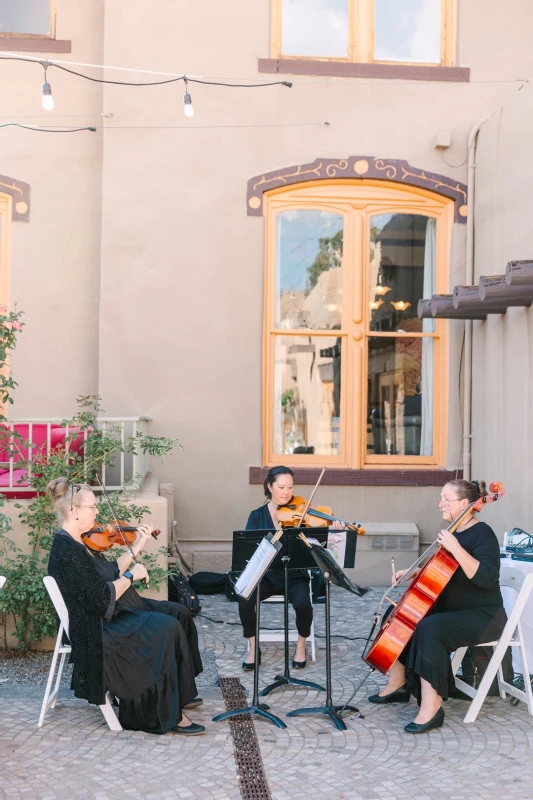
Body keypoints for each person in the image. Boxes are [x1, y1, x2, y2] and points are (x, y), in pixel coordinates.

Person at [47, 477, 205, 736]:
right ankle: (164, 711)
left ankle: (179, 693)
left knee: (178, 612)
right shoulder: (66, 551)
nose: (97, 512)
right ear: (75, 512)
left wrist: (137, 546)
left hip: (109, 612)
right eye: (92, 507)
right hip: (95, 628)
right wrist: (131, 576)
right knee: (166, 628)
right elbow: (100, 600)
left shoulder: (81, 542)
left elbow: (109, 572)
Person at [368, 478, 506, 734]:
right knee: (397, 613)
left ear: (465, 504)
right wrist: (416, 573)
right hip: (455, 609)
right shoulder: (454, 531)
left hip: (483, 615)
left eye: (446, 499)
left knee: (429, 628)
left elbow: (486, 577)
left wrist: (455, 548)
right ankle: (398, 683)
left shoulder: (482, 533)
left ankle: (432, 706)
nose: (439, 503)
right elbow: (446, 573)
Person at [238, 465, 343, 671]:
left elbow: (319, 546)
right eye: (281, 487)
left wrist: (334, 531)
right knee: (244, 598)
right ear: (270, 487)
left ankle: (301, 647)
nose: (286, 492)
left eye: (290, 487)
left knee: (304, 604)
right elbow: (249, 550)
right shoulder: (257, 516)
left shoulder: (302, 515)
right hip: (266, 576)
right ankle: (252, 647)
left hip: (295, 575)